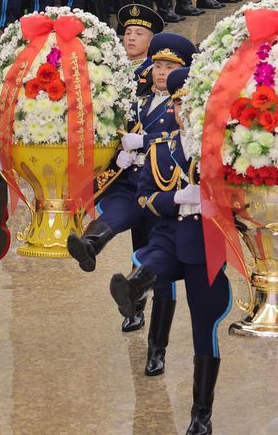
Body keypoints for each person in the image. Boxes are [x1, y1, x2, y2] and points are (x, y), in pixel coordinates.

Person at [107, 67, 229, 435]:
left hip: (205, 243)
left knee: (204, 329)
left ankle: (201, 414)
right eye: (178, 104)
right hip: (169, 231)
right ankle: (135, 286)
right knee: (154, 256)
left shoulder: (225, 148)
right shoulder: (161, 148)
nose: (183, 110)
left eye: (192, 103)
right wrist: (177, 198)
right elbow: (145, 196)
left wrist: (213, 201)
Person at [70, 32, 192, 350]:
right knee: (116, 213)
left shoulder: (184, 105)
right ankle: (90, 245)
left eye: (170, 67)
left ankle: (145, 325)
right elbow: (120, 132)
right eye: (158, 65)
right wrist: (119, 154)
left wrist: (144, 143)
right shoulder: (139, 101)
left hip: (163, 188)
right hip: (132, 181)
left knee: (150, 255)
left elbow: (186, 137)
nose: (161, 72)